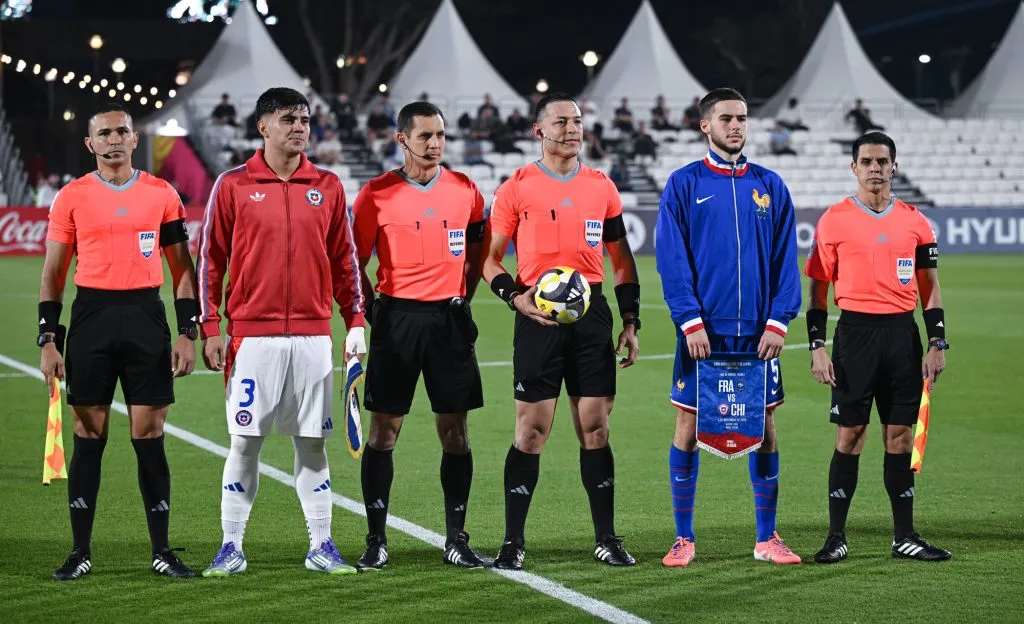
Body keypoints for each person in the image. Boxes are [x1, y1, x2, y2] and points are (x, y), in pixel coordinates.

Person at [196, 87, 367, 577]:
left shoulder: (329, 186)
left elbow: (345, 261)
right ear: (262, 126)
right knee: (244, 443)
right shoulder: (231, 185)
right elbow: (211, 259)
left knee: (312, 444)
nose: (300, 126)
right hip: (251, 340)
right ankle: (231, 546)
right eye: (289, 118)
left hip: (314, 338)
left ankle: (321, 544)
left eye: (306, 119)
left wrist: (354, 320)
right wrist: (211, 327)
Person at [40, 101, 199, 580]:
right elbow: (53, 273)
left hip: (146, 318)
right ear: (90, 143)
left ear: (134, 139)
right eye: (104, 133)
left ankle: (162, 551)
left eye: (122, 131)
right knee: (89, 435)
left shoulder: (162, 194)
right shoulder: (70, 197)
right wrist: (49, 339)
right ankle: (79, 551)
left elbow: (182, 270)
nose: (113, 139)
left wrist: (188, 332)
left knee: (149, 436)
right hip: (91, 319)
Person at [482, 92, 641, 570]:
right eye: (561, 122)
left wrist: (630, 321)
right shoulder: (517, 188)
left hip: (591, 317)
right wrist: (516, 298)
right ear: (539, 131)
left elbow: (622, 261)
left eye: (577, 121)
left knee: (595, 427)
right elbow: (488, 262)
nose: (572, 129)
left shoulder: (602, 187)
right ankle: (513, 541)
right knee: (531, 431)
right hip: (536, 316)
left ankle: (607, 537)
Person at [655, 87, 802, 568]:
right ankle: (683, 538)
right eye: (725, 118)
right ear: (705, 125)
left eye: (741, 117)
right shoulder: (683, 184)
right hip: (703, 334)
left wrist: (779, 321)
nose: (735, 125)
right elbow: (671, 260)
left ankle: (767, 538)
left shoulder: (771, 185)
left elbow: (785, 262)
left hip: (759, 334)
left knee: (766, 424)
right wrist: (689, 321)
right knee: (688, 422)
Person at [351, 101, 488, 570]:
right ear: (402, 139)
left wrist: (462, 298)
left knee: (455, 432)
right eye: (425, 136)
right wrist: (371, 308)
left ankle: (457, 538)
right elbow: (353, 263)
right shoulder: (375, 195)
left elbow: (477, 253)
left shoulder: (466, 191)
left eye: (441, 136)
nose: (435, 144)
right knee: (384, 431)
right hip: (398, 321)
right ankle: (375, 539)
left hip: (448, 322)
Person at [804, 131, 951, 563]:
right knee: (850, 435)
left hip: (903, 337)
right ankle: (836, 536)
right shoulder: (833, 220)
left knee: (900, 435)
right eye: (866, 161)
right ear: (854, 167)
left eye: (882, 161)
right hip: (854, 336)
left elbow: (931, 288)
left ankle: (904, 535)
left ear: (894, 167)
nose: (874, 168)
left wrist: (937, 341)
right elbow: (817, 291)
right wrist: (817, 346)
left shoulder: (916, 222)